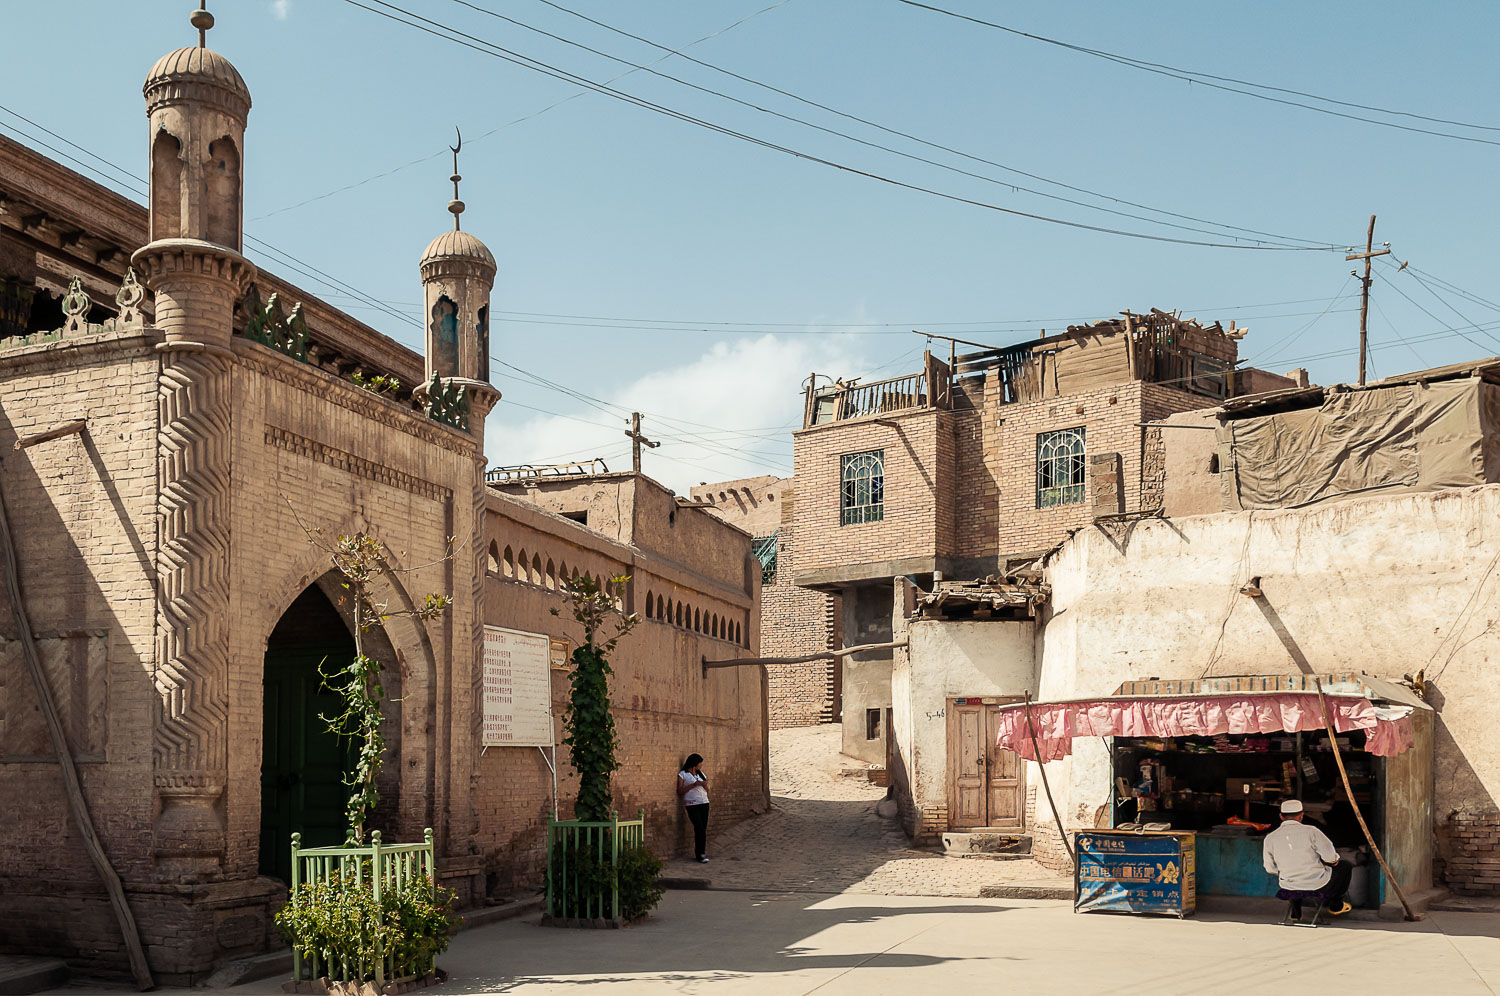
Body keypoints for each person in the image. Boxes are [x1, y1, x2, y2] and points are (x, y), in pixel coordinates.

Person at [1263, 799, 1353, 918]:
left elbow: (1269, 868)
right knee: (1345, 867)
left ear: (1281, 816)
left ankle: (1296, 912)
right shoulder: (1311, 831)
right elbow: (1330, 856)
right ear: (1301, 816)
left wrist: (1286, 872)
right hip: (1317, 884)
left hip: (1288, 886)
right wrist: (1333, 861)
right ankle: (1336, 905)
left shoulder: (1270, 837)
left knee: (1293, 878)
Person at [677, 753, 710, 863]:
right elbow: (680, 790)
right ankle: (699, 854)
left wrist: (704, 785)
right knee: (698, 827)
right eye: (700, 763)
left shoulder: (701, 774)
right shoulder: (683, 774)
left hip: (704, 802)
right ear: (694, 764)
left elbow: (707, 789)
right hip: (692, 804)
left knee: (703, 829)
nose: (701, 765)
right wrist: (693, 785)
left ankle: (701, 852)